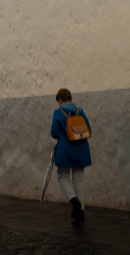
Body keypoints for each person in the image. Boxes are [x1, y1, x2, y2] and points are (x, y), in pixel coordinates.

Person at [50, 88, 92, 223]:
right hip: (81, 149)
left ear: (60, 100)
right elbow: (88, 130)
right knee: (78, 180)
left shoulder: (59, 113)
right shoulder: (80, 112)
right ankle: (81, 213)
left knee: (62, 176)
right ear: (71, 99)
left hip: (66, 150)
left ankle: (74, 201)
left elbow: (54, 133)